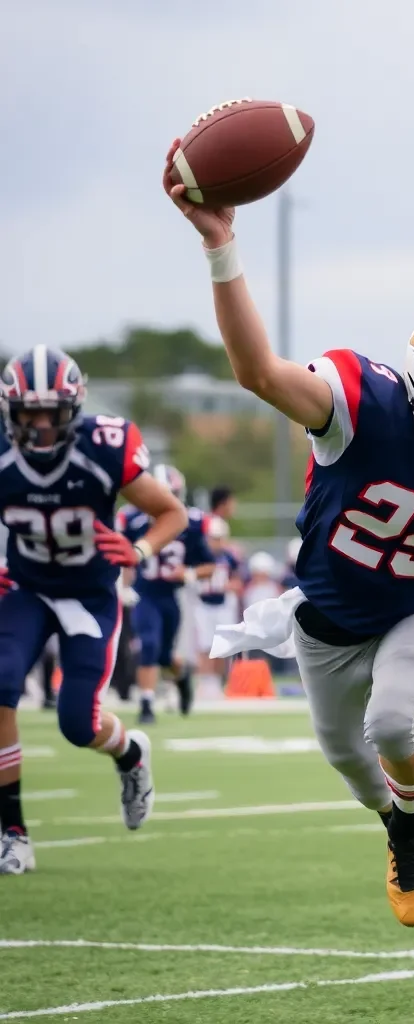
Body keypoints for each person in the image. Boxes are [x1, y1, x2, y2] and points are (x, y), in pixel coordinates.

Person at [164, 150, 414, 927]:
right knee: (346, 754)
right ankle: (397, 818)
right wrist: (220, 244)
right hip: (327, 613)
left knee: (391, 725)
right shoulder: (360, 404)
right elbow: (258, 373)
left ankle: (410, 824)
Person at [0, 346, 187, 875]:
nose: (38, 425)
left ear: (72, 411)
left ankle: (130, 754)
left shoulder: (103, 449)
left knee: (77, 725)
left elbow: (170, 514)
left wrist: (142, 550)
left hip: (88, 593)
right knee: (1, 682)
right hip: (26, 587)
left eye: (50, 412)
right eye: (27, 413)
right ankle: (12, 831)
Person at [119, 464, 215, 722]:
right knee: (148, 645)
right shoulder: (132, 521)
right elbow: (124, 558)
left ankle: (181, 676)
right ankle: (147, 705)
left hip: (172, 596)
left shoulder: (190, 524)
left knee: (163, 655)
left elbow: (210, 565)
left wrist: (189, 574)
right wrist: (123, 586)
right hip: (144, 593)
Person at [194, 515, 241, 695]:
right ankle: (205, 682)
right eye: (214, 538)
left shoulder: (229, 557)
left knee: (222, 645)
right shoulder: (199, 555)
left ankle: (219, 682)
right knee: (204, 645)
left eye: (219, 538)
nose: (216, 542)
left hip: (223, 604)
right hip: (203, 604)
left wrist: (228, 586)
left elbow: (237, 582)